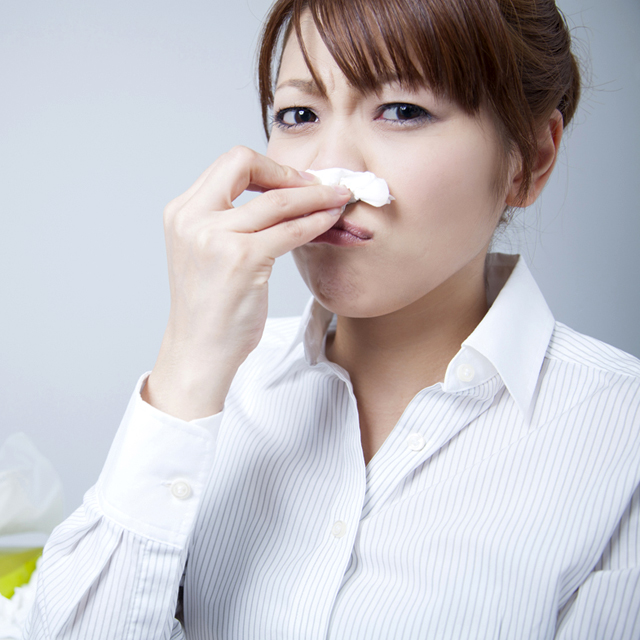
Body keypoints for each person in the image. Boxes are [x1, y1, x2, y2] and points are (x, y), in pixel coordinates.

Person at [25, 0, 640, 638]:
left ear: (530, 160)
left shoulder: (622, 441)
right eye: (299, 114)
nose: (333, 171)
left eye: (404, 111)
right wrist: (186, 364)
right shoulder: (213, 394)